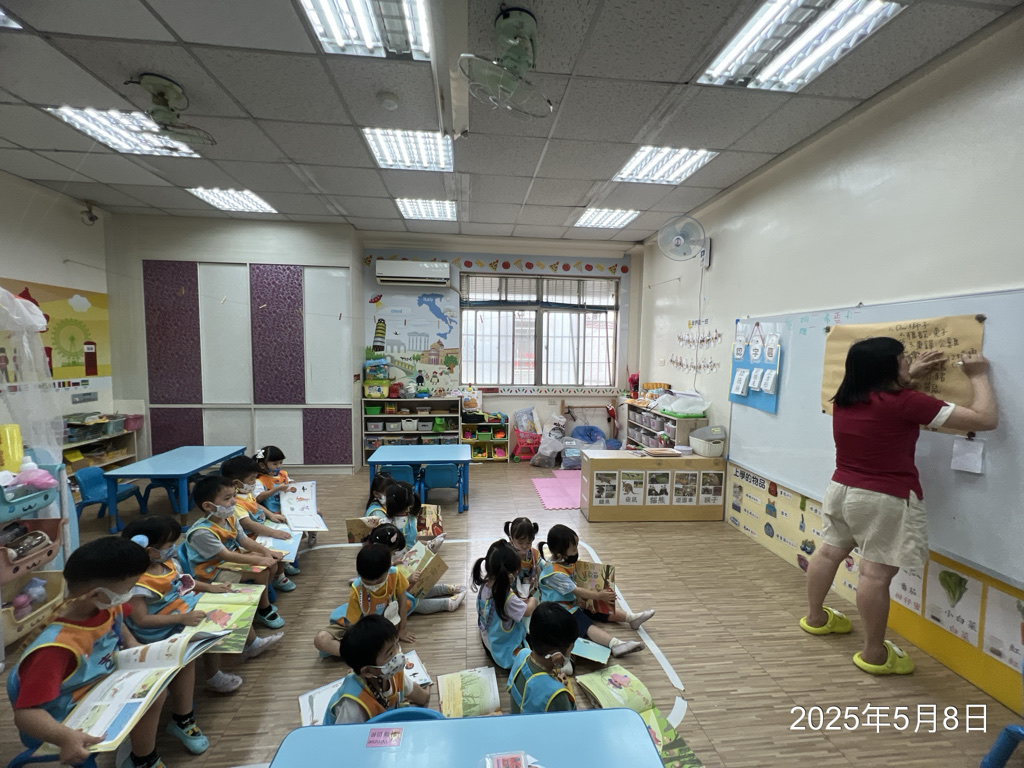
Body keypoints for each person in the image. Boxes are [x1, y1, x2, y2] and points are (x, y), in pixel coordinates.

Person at [803, 342, 998, 675]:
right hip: (884, 498)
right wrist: (978, 375)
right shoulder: (907, 403)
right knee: (875, 575)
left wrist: (910, 375)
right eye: (903, 360)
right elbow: (985, 419)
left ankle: (816, 618)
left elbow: (885, 403)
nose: (909, 362)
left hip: (841, 490)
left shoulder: (846, 398)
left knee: (828, 553)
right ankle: (874, 655)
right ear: (888, 369)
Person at [9, 537, 208, 767]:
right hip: (65, 718)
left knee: (161, 683)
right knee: (151, 694)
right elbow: (26, 714)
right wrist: (65, 737)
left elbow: (117, 620)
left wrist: (132, 644)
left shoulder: (104, 604)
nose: (130, 594)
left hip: (102, 685)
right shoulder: (55, 648)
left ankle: (145, 757)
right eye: (128, 588)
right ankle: (144, 759)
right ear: (95, 594)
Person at [121, 517, 283, 693]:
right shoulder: (137, 584)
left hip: (182, 608)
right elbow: (142, 621)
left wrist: (210, 588)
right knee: (210, 625)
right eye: (169, 545)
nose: (174, 548)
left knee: (227, 602)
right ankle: (214, 675)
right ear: (150, 551)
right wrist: (182, 618)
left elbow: (183, 581)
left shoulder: (165, 563)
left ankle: (251, 644)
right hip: (163, 625)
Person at [181, 475, 285, 629]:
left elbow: (244, 540)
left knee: (272, 563)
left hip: (229, 561)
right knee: (261, 572)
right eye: (227, 498)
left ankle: (259, 599)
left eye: (234, 496)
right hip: (211, 570)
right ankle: (264, 609)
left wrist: (266, 552)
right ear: (208, 506)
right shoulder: (202, 532)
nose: (234, 501)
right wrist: (259, 560)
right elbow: (226, 555)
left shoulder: (230, 517)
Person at [538, 524, 651, 657]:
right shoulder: (555, 574)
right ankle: (615, 644)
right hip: (559, 610)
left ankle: (632, 619)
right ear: (560, 554)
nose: (576, 551)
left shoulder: (563, 562)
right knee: (585, 624)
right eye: (573, 549)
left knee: (599, 608)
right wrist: (598, 595)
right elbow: (577, 590)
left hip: (571, 602)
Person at [323, 615, 429, 724]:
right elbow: (346, 734)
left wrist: (426, 692)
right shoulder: (353, 706)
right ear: (367, 671)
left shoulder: (394, 674)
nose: (398, 655)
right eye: (390, 653)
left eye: (397, 645)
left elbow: (422, 697)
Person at [314, 543, 413, 657]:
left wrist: (402, 630)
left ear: (388, 569)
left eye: (378, 581)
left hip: (383, 623)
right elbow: (354, 625)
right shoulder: (357, 589)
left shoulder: (395, 574)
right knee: (321, 639)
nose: (373, 585)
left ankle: (361, 654)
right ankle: (359, 656)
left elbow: (402, 600)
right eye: (367, 582)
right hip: (358, 626)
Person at [222, 455, 298, 588]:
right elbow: (249, 524)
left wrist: (270, 515)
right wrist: (274, 532)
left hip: (261, 527)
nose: (255, 482)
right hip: (252, 537)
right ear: (236, 483)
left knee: (285, 533)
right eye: (252, 479)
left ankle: (283, 565)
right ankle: (279, 577)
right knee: (279, 543)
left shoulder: (244, 492)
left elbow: (255, 504)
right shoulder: (235, 503)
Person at [365, 524, 466, 615]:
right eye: (393, 551)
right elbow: (391, 590)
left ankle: (444, 589)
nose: (394, 553)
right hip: (386, 605)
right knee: (414, 602)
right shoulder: (377, 570)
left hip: (392, 596)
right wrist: (408, 580)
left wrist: (393, 564)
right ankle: (447, 604)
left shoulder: (374, 559)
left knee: (417, 589)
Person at [473, 540, 538, 669]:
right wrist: (533, 600)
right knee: (532, 655)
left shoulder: (485, 585)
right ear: (510, 576)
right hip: (504, 651)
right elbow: (528, 611)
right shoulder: (506, 599)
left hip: (489, 641)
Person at [507, 602, 577, 714]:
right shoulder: (557, 695)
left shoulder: (522, 654)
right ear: (557, 656)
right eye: (570, 650)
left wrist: (553, 681)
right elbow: (568, 721)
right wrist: (554, 686)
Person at [378, 481, 445, 554]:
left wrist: (429, 543)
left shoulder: (382, 523)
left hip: (390, 560)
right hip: (412, 559)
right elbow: (414, 543)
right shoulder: (413, 521)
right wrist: (429, 544)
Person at [253, 446, 295, 514]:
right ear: (262, 465)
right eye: (275, 464)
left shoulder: (283, 475)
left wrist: (292, 484)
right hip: (272, 512)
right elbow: (258, 498)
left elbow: (289, 482)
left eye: (280, 463)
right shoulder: (260, 480)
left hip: (288, 508)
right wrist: (276, 489)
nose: (279, 466)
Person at [504, 516, 541, 593]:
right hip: (510, 592)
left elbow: (540, 571)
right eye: (520, 543)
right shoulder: (506, 555)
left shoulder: (534, 555)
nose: (524, 546)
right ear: (511, 539)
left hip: (528, 590)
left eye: (528, 543)